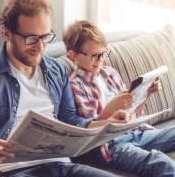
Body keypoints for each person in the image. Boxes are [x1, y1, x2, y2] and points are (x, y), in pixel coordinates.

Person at [0, 0, 134, 177]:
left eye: (45, 37)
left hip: (63, 166)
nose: (40, 47)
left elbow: (71, 122)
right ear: (6, 33)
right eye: (30, 38)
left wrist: (106, 123)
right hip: (12, 170)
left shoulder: (57, 71)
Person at [62, 20, 175, 176]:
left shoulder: (110, 73)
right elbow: (90, 131)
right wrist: (110, 109)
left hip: (137, 132)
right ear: (73, 54)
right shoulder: (75, 85)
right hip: (112, 145)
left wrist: (147, 94)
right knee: (163, 164)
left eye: (103, 53)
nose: (100, 59)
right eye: (94, 56)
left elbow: (133, 113)